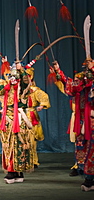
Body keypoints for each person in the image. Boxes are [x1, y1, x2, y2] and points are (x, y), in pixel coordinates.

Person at [51, 60, 94, 191]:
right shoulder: (82, 82)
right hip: (84, 120)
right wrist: (59, 71)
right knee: (85, 147)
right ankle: (89, 178)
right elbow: (71, 85)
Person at [0, 59, 35, 183]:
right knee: (8, 145)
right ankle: (12, 171)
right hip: (8, 120)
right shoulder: (6, 88)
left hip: (19, 119)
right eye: (11, 77)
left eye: (15, 77)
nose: (12, 79)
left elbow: (26, 81)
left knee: (19, 145)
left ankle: (16, 171)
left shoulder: (22, 89)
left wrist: (21, 70)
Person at [24, 67, 51, 168]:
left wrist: (42, 105)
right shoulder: (18, 89)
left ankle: (32, 160)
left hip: (30, 116)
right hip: (20, 115)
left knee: (31, 140)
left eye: (27, 77)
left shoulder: (34, 90)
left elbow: (44, 97)